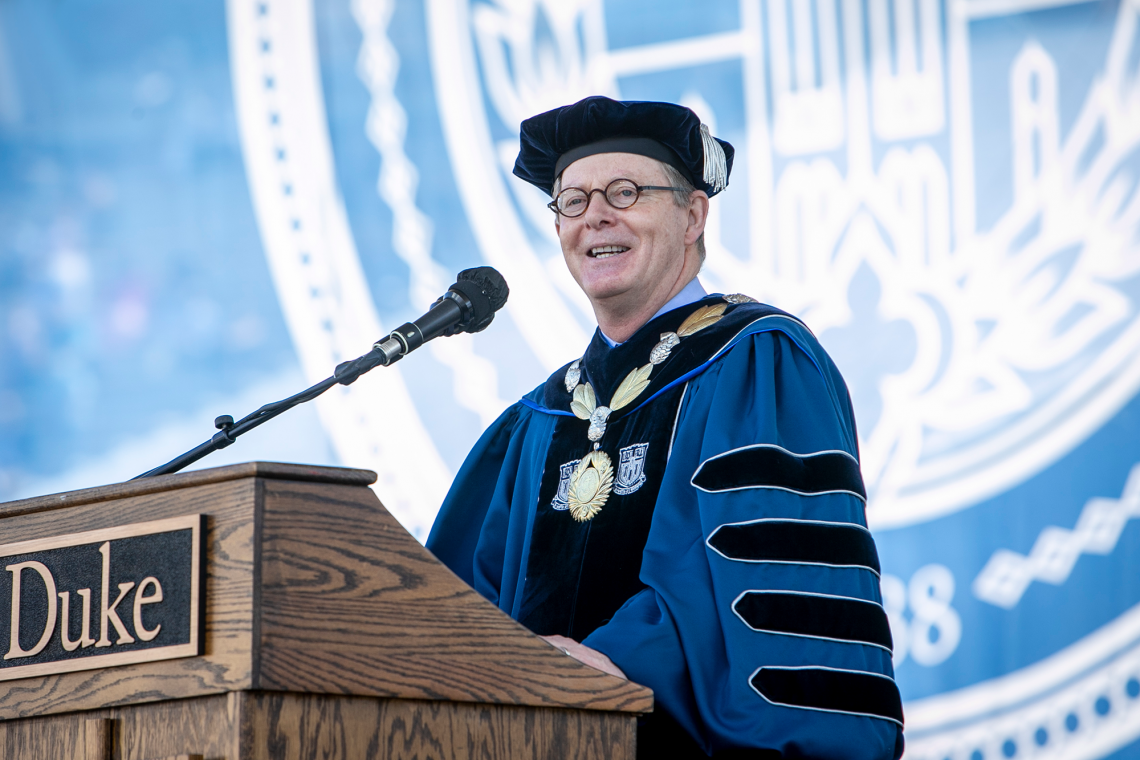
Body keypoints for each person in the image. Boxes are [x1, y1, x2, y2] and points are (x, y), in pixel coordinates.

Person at [426, 96, 904, 759]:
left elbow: (756, 588)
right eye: (573, 200)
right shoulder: (536, 422)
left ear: (693, 215)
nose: (595, 215)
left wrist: (611, 661)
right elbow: (456, 615)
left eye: (625, 192)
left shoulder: (755, 362)